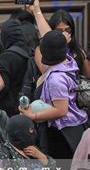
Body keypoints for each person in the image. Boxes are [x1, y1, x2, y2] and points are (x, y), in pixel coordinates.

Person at [19, 31, 87, 159]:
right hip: (73, 127)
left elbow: (61, 110)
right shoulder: (67, 61)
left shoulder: (56, 79)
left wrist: (33, 115)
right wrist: (60, 41)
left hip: (64, 133)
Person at [30, 0, 90, 78]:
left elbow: (88, 76)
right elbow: (47, 71)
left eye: (67, 30)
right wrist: (61, 44)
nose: (64, 33)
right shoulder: (40, 50)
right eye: (59, 31)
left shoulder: (78, 51)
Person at [0, 19, 32, 116]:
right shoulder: (30, 52)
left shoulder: (6, 57)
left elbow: (2, 87)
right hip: (28, 108)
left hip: (9, 111)